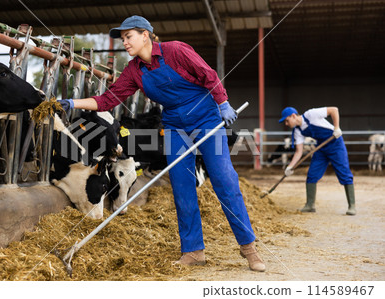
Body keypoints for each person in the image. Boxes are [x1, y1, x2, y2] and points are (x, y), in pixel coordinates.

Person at [58, 15, 265, 272]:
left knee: (225, 180)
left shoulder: (175, 50)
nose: (124, 42)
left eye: (128, 36)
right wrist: (72, 103)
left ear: (145, 35)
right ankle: (193, 251)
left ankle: (249, 249)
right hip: (175, 126)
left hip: (206, 118)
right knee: (181, 186)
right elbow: (107, 100)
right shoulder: (134, 70)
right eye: (122, 38)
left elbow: (208, 75)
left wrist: (222, 103)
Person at [279, 106, 356, 215]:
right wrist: (290, 167)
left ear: (293, 116)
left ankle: (352, 206)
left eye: (286, 120)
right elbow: (298, 152)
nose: (286, 124)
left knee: (344, 173)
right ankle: (310, 205)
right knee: (312, 174)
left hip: (335, 143)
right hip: (321, 148)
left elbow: (334, 110)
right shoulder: (297, 131)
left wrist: (336, 128)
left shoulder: (311, 114)